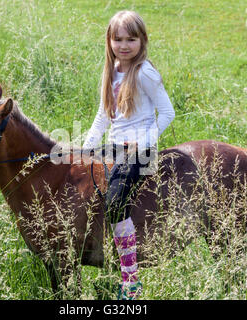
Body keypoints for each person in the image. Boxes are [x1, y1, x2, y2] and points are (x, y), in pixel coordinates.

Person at [82, 10, 175, 300]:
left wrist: (144, 143)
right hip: (114, 146)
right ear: (109, 41)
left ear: (142, 41)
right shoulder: (111, 71)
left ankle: (131, 282)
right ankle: (107, 262)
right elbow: (103, 115)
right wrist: (86, 147)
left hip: (139, 149)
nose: (124, 45)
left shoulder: (145, 71)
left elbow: (168, 112)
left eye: (131, 39)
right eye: (118, 39)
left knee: (116, 203)